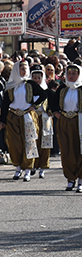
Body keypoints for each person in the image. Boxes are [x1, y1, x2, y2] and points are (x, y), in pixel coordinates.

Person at [0, 60, 46, 181]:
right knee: (15, 143)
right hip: (13, 116)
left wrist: (34, 106)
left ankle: (28, 169)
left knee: (29, 142)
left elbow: (43, 94)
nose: (24, 71)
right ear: (16, 70)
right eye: (22, 69)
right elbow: (5, 104)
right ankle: (18, 166)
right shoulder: (11, 86)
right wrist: (2, 121)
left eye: (26, 69)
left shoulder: (30, 84)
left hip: (27, 115)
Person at [52, 63, 82, 192]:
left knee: (79, 149)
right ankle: (70, 178)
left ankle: (80, 178)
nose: (71, 76)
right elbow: (53, 103)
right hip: (64, 121)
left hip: (79, 121)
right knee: (66, 149)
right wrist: (56, 113)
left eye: (74, 73)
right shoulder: (63, 88)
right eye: (69, 73)